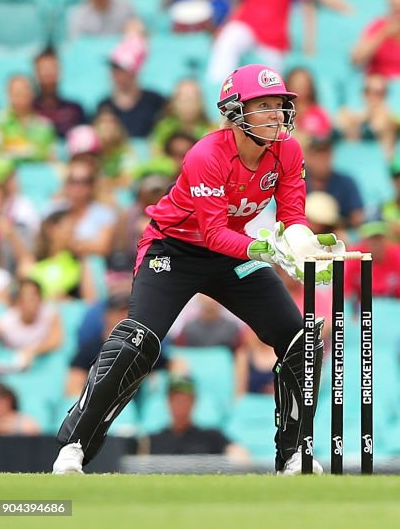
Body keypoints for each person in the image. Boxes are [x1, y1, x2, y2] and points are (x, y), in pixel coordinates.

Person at [52, 63, 345, 476]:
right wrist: (270, 252)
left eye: (279, 105)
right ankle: (74, 447)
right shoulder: (207, 154)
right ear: (235, 112)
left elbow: (294, 215)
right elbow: (211, 234)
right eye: (264, 106)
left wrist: (303, 248)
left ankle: (293, 456)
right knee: (138, 341)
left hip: (236, 252)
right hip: (173, 251)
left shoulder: (289, 151)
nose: (277, 115)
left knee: (300, 341)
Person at [142, 375, 249, 459]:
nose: (181, 404)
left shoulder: (211, 437)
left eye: (186, 399)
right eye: (176, 399)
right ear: (168, 402)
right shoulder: (153, 440)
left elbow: (239, 454)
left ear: (194, 401)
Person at [96, 32, 166, 139]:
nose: (115, 73)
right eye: (113, 68)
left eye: (121, 69)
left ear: (134, 72)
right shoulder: (104, 105)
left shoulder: (155, 102)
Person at [0, 278, 62, 373]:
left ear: (41, 299)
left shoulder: (50, 313)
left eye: (34, 295)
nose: (30, 301)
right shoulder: (7, 320)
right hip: (11, 368)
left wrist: (33, 351)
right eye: (25, 296)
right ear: (18, 301)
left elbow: (55, 341)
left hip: (41, 366)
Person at [0, 74, 56, 163]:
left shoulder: (45, 125)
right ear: (7, 94)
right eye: (16, 91)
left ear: (33, 93)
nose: (21, 94)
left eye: (25, 90)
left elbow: (50, 157)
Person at [303, 136, 364, 229]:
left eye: (325, 154)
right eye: (317, 154)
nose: (321, 160)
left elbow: (357, 217)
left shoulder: (346, 182)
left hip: (335, 232)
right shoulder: (296, 180)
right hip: (303, 231)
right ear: (307, 157)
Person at [334, 74, 400, 156]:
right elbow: (338, 123)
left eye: (379, 93)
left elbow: (381, 127)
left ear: (386, 96)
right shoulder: (348, 113)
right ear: (362, 94)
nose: (373, 96)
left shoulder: (393, 118)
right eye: (368, 91)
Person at [32, 46, 85, 138]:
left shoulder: (74, 110)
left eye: (52, 69)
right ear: (36, 74)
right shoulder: (29, 111)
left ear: (60, 71)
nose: (48, 75)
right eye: (44, 70)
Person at [283, 67, 332, 141]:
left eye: (303, 83)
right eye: (296, 82)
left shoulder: (319, 113)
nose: (300, 86)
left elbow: (325, 139)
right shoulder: (281, 113)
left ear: (310, 87)